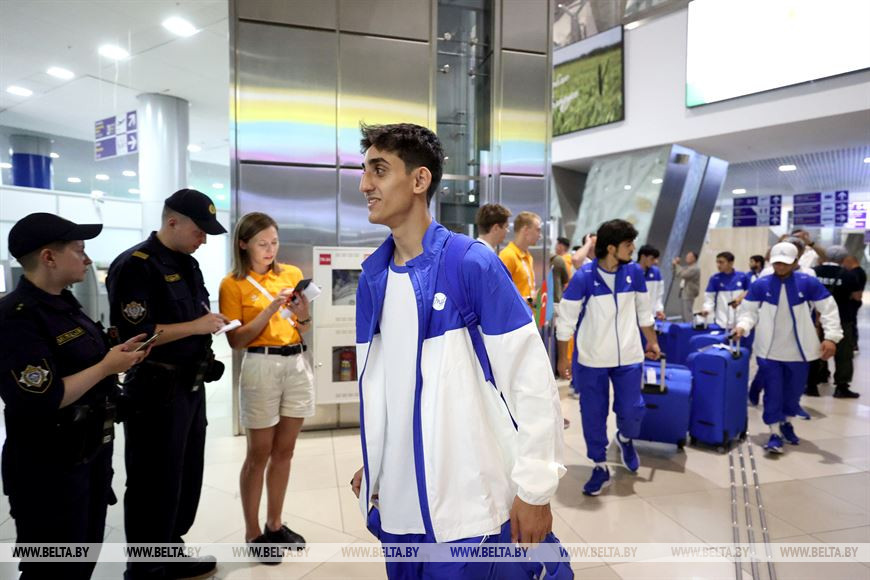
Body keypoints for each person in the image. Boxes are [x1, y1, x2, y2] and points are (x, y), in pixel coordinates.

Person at [349, 123, 569, 579]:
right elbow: (393, 389)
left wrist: (535, 490)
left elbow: (530, 381)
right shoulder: (373, 278)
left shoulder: (469, 263)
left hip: (472, 508)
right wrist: (379, 462)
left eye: (379, 170)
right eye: (365, 170)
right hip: (401, 509)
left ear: (419, 180)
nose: (365, 183)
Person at [0, 213, 149, 580]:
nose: (86, 259)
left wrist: (115, 353)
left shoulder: (65, 305)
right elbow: (43, 397)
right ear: (49, 257)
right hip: (48, 468)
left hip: (87, 454)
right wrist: (106, 367)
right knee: (53, 567)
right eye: (79, 250)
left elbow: (83, 361)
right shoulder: (17, 317)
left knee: (83, 557)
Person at [107, 189, 229, 580]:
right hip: (156, 387)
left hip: (191, 384)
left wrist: (207, 322)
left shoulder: (187, 265)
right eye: (199, 230)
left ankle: (170, 547)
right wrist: (197, 325)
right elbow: (135, 331)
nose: (204, 239)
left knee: (184, 472)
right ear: (172, 221)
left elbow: (194, 314)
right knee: (151, 478)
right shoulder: (136, 266)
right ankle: (145, 566)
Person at [218, 212, 315, 559]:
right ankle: (252, 532)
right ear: (243, 244)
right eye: (262, 243)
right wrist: (268, 310)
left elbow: (302, 326)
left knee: (285, 451)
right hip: (260, 364)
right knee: (258, 453)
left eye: (274, 242)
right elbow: (236, 341)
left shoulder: (292, 274)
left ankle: (275, 524)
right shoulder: (232, 284)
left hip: (296, 361)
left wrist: (302, 312)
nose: (270, 249)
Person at [556, 219, 661, 496]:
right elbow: (565, 319)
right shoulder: (584, 277)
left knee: (632, 409)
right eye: (629, 244)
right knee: (593, 414)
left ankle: (625, 438)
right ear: (611, 248)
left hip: (629, 356)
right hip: (592, 359)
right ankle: (599, 464)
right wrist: (563, 360)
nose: (633, 249)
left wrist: (653, 343)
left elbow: (644, 313)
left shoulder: (635, 273)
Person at [734, 242, 842, 454]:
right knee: (773, 392)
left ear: (794, 262)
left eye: (785, 263)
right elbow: (748, 312)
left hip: (799, 351)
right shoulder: (761, 284)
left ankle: (787, 423)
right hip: (768, 351)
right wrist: (742, 327)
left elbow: (828, 309)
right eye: (776, 263)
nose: (780, 267)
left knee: (793, 394)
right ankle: (774, 432)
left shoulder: (808, 283)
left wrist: (831, 337)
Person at [809, 245, 861, 398]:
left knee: (816, 349)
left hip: (817, 318)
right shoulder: (848, 275)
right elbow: (857, 296)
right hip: (842, 318)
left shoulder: (814, 272)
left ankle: (814, 382)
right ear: (844, 259)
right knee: (843, 354)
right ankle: (841, 386)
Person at [499, 211, 542, 308]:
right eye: (537, 230)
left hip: (527, 317)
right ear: (526, 230)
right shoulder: (507, 256)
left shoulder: (528, 256)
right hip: (514, 320)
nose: (540, 235)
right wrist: (530, 300)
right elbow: (500, 296)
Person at [701, 251, 750, 328]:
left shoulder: (742, 276)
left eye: (721, 262)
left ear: (731, 263)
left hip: (739, 322)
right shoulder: (715, 279)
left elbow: (749, 292)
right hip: (721, 322)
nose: (718, 265)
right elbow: (709, 298)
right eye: (717, 262)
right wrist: (707, 309)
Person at [842, 255, 865, 350]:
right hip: (853, 302)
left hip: (852, 302)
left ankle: (852, 343)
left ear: (849, 261)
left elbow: (856, 291)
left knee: (850, 323)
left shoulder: (854, 273)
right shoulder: (859, 272)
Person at [637, 244, 665, 320]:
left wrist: (659, 309)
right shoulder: (631, 271)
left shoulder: (656, 272)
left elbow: (659, 295)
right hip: (634, 317)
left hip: (651, 316)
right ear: (643, 257)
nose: (656, 262)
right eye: (652, 259)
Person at [672, 250, 700, 322]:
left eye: (689, 257)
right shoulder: (687, 267)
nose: (686, 258)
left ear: (694, 258)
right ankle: (686, 326)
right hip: (684, 292)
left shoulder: (695, 268)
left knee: (687, 313)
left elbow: (683, 274)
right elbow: (677, 273)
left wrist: (677, 265)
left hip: (689, 292)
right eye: (687, 256)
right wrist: (675, 265)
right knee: (684, 313)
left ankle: (690, 328)